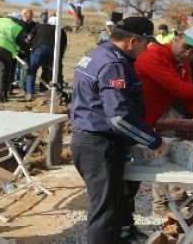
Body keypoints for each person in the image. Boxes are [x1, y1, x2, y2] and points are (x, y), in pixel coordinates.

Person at [71, 17, 166, 244]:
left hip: (88, 140)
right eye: (145, 44)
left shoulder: (97, 53)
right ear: (133, 40)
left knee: (111, 206)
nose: (146, 50)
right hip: (99, 145)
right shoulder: (114, 65)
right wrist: (153, 140)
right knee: (105, 212)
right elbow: (119, 118)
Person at [133, 25, 193, 216]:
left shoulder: (183, 64)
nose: (187, 54)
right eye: (186, 47)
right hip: (131, 124)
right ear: (177, 38)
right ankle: (121, 227)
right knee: (127, 179)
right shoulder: (154, 56)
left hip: (146, 124)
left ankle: (127, 226)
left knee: (135, 178)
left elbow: (189, 99)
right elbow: (179, 89)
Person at [25, 16, 67, 100]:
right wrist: (59, 59)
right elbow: (63, 46)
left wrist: (30, 49)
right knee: (56, 72)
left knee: (32, 70)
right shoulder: (61, 31)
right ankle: (58, 92)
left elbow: (28, 38)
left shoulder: (40, 26)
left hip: (39, 49)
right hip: (54, 51)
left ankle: (29, 93)